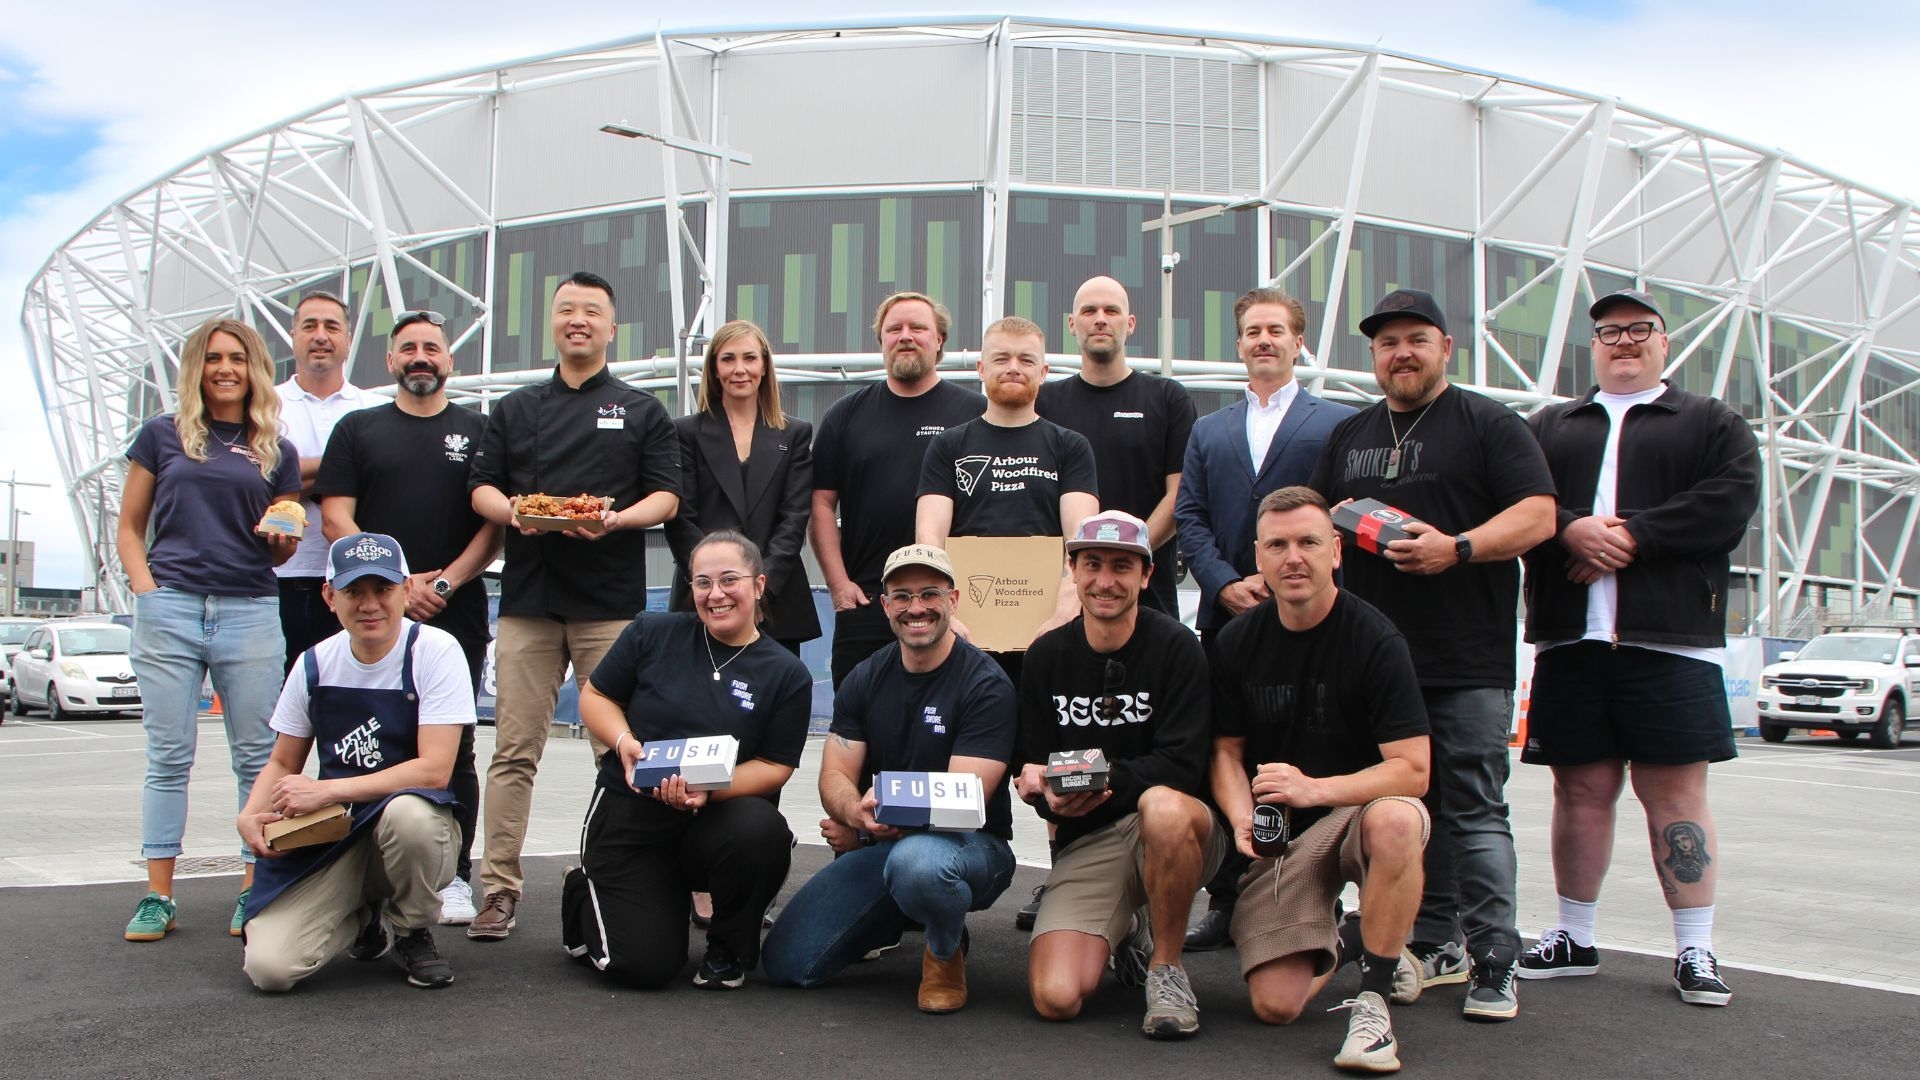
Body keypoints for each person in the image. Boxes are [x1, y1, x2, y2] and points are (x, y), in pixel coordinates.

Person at [1309, 288, 1555, 1022]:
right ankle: (1427, 943)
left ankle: (1495, 959)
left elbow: (1539, 514)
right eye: (1387, 343)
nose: (1402, 353)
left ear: (1446, 348)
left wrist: (1461, 548)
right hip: (1372, 665)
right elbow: (1318, 524)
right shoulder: (1351, 434)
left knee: (1474, 806)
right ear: (1374, 356)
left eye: (1417, 339)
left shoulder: (1488, 424)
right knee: (1393, 809)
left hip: (1465, 658)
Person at [1517, 290, 1760, 1007]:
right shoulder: (1551, 426)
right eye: (1609, 331)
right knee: (1580, 790)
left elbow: (1729, 501)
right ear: (1592, 346)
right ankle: (1574, 934)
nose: (1624, 341)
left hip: (1671, 642)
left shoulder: (1710, 423)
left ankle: (1695, 948)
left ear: (1664, 341)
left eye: (1639, 329)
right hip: (1570, 639)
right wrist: (1569, 528)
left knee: (1674, 793)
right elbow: (1517, 502)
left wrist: (1629, 537)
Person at [466, 271, 682, 941]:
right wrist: (515, 513)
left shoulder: (642, 410)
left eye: (591, 311)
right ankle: (498, 888)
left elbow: (666, 498)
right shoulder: (515, 409)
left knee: (617, 751)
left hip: (609, 608)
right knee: (512, 751)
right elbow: (482, 489)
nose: (577, 320)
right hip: (529, 602)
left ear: (613, 328)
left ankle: (618, 878)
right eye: (566, 310)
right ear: (552, 324)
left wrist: (614, 521)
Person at [1209, 487, 1430, 1074]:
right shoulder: (1236, 641)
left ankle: (1375, 1001)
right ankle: (1358, 939)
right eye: (1277, 545)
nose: (1293, 558)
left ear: (1336, 550)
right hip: (1284, 839)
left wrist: (1316, 789)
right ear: (1258, 557)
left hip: (1355, 814)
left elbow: (1413, 769)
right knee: (1275, 1007)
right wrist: (1238, 820)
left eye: (1308, 542)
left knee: (1397, 818)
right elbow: (1225, 753)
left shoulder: (1375, 639)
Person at [1175, 286, 1356, 951]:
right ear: (1240, 342)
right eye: (1252, 331)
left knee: (1307, 751)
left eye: (1276, 330)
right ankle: (1228, 899)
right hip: (1228, 624)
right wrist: (1223, 584)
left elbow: (1341, 518)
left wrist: (1290, 582)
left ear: (1298, 340)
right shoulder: (1209, 429)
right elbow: (1190, 519)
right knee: (1224, 755)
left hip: (1307, 626)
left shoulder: (1336, 423)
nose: (1264, 341)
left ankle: (1318, 897)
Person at [761, 545, 1017, 1013]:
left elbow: (963, 797)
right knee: (786, 964)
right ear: (884, 605)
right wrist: (852, 811)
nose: (915, 607)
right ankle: (891, 915)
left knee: (918, 864)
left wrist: (861, 830)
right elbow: (836, 773)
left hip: (974, 847)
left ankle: (944, 950)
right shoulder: (865, 677)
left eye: (929, 594)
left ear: (954, 600)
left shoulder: (985, 683)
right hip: (887, 843)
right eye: (901, 596)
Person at [117, 316, 300, 943]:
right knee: (169, 757)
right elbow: (129, 526)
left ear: (255, 369)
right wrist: (146, 590)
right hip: (170, 606)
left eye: (239, 358)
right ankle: (157, 895)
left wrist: (278, 544)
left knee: (257, 760)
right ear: (196, 367)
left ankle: (254, 888)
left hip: (249, 607)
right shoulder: (162, 436)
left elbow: (278, 548)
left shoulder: (275, 448)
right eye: (214, 358)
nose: (226, 369)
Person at [317, 308, 503, 926]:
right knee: (359, 740)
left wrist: (442, 582)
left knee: (459, 746)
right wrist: (397, 584)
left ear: (450, 360)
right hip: (373, 606)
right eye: (408, 348)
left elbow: (493, 522)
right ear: (391, 361)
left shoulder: (479, 430)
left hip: (457, 605)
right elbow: (335, 517)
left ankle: (454, 877)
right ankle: (354, 876)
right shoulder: (358, 428)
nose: (420, 356)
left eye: (432, 346)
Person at [561, 531, 812, 989]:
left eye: (729, 580)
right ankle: (585, 891)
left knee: (760, 830)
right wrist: (623, 742)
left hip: (712, 823)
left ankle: (727, 948)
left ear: (758, 585)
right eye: (702, 583)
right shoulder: (651, 633)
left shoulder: (786, 673)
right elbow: (595, 696)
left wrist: (708, 791)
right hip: (632, 817)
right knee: (643, 969)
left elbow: (777, 765)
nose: (715, 595)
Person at [1016, 510, 1224, 1039]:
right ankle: (1127, 926)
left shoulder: (1178, 647)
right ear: (1073, 571)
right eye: (1092, 564)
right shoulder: (1045, 656)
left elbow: (1182, 765)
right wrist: (1046, 799)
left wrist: (1094, 784)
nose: (1105, 580)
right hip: (1092, 838)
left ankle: (1168, 969)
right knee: (1055, 997)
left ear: (1147, 575)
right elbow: (1036, 764)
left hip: (1178, 827)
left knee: (1163, 806)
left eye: (1122, 566)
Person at [237, 533, 472, 991]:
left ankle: (411, 928)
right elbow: (283, 761)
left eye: (382, 590)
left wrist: (325, 789)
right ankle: (365, 918)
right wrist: (249, 814)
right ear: (329, 596)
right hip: (336, 835)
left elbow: (434, 770)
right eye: (353, 592)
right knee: (270, 970)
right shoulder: (313, 664)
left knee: (411, 815)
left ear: (406, 590)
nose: (369, 605)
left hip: (406, 830)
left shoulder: (435, 650)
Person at [811, 292, 984, 688]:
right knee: (862, 732)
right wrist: (839, 586)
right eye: (894, 329)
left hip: (954, 603)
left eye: (918, 328)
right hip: (868, 602)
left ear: (940, 339)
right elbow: (820, 505)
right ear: (882, 340)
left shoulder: (974, 414)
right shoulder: (845, 415)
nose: (905, 336)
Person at [915, 315, 1100, 674]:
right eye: (1001, 359)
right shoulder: (948, 446)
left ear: (1043, 371)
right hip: (965, 636)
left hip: (1052, 634)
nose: (1014, 368)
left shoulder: (1070, 447)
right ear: (981, 369)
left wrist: (1066, 608)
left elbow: (1083, 538)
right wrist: (942, 607)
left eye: (1026, 360)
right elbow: (928, 538)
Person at [1036, 276, 1196, 617]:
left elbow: (1180, 493)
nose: (1100, 318)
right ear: (1071, 323)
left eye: (1112, 310)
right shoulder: (1044, 402)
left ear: (1131, 323)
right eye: (1089, 310)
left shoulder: (1168, 398)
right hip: (1059, 597)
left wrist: (1128, 555)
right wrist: (1083, 567)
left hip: (1146, 591)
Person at [666, 319, 819, 654]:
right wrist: (716, 585)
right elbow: (680, 518)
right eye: (728, 359)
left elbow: (793, 520)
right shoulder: (684, 433)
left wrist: (758, 589)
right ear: (714, 369)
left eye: (749, 358)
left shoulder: (795, 434)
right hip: (705, 601)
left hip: (775, 603)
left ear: (764, 366)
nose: (740, 369)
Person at [273, 292, 380, 674]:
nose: (321, 335)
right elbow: (257, 482)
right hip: (281, 577)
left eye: (332, 327)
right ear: (293, 336)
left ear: (349, 340)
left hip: (356, 581)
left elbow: (381, 484)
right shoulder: (265, 406)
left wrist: (297, 476)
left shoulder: (373, 409)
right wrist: (345, 470)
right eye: (310, 326)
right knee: (286, 705)